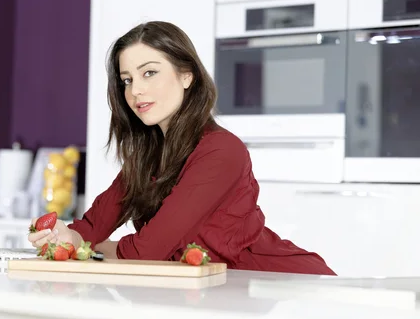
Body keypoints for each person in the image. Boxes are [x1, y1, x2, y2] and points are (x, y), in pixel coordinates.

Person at [28, 21, 336, 276]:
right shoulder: (148, 156)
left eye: (149, 72)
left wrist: (93, 250)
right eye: (126, 80)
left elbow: (147, 251)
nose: (135, 90)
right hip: (209, 295)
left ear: (186, 75)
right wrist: (64, 237)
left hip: (278, 285)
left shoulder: (221, 151)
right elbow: (95, 224)